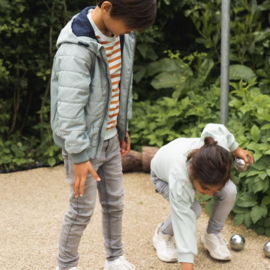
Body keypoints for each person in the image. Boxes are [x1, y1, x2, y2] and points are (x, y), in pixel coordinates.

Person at [50, 1, 156, 269]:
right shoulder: (77, 47)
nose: (130, 31)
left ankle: (115, 258)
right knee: (81, 211)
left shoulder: (121, 35)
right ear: (107, 8)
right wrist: (78, 155)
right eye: (129, 25)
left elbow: (120, 85)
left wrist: (121, 128)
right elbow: (69, 110)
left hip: (110, 140)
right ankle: (66, 265)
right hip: (83, 148)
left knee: (115, 203)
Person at [150, 123, 253, 270]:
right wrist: (187, 264)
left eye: (214, 189)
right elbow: (184, 221)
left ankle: (211, 235)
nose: (211, 194)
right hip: (163, 176)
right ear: (192, 170)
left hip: (196, 166)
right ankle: (162, 234)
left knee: (229, 191)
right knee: (193, 210)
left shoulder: (218, 151)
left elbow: (216, 128)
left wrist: (236, 149)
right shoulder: (180, 179)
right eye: (205, 188)